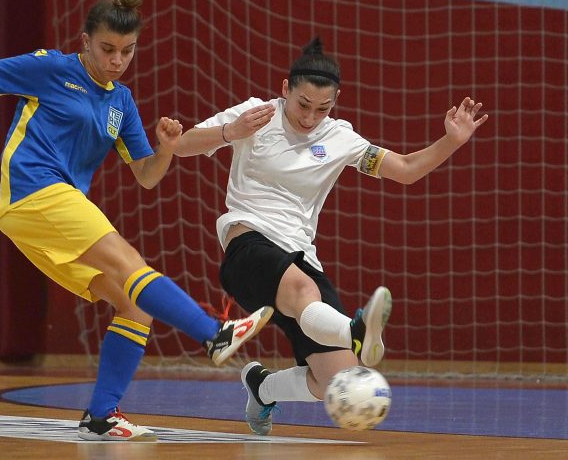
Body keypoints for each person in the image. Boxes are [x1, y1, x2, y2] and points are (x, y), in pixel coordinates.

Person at [0, 0, 273, 442]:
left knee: (134, 306)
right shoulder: (51, 68)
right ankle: (214, 333)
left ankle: (101, 416)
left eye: (127, 51)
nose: (117, 60)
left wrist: (166, 147)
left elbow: (147, 176)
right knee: (131, 263)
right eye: (108, 49)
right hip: (34, 191)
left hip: (47, 211)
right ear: (85, 41)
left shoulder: (121, 101)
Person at [174, 37, 488, 435]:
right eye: (303, 104)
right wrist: (229, 131)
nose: (310, 117)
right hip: (248, 246)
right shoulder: (255, 114)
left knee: (338, 383)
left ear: (335, 102)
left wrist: (452, 141)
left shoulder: (340, 138)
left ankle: (262, 387)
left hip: (300, 256)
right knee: (304, 291)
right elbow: (181, 146)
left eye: (322, 108)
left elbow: (407, 169)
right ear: (285, 89)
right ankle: (354, 330)